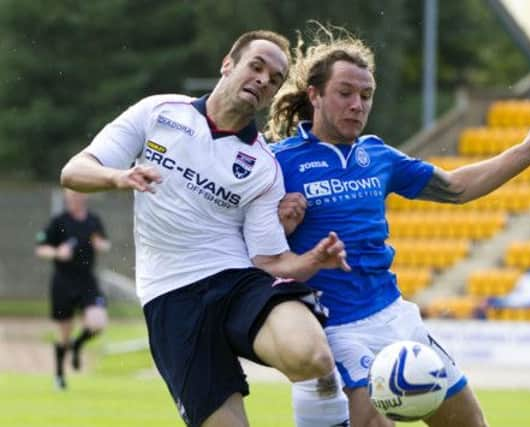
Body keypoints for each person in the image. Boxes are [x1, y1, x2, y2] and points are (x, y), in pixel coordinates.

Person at [266, 23, 530, 427]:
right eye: (345, 93)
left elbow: (455, 187)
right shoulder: (277, 162)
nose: (357, 104)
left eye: (366, 96)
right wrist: (280, 223)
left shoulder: (378, 156)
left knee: (470, 422)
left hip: (397, 317)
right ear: (314, 95)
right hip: (339, 327)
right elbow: (251, 242)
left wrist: (526, 152)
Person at [60, 29, 352, 427]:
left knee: (312, 354)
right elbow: (74, 171)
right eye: (256, 66)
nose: (264, 79)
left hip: (236, 281)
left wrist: (313, 260)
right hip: (171, 296)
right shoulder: (158, 112)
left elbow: (270, 260)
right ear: (227, 64)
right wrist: (118, 177)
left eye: (275, 78)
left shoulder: (264, 167)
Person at [35, 189, 111, 390]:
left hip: (86, 281)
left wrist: (100, 244)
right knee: (63, 333)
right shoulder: (59, 221)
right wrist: (57, 252)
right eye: (72, 195)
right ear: (67, 198)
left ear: (85, 196)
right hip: (63, 282)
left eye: (79, 194)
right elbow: (41, 248)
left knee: (98, 322)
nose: (76, 198)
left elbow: (104, 243)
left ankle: (78, 345)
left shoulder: (93, 220)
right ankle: (59, 376)